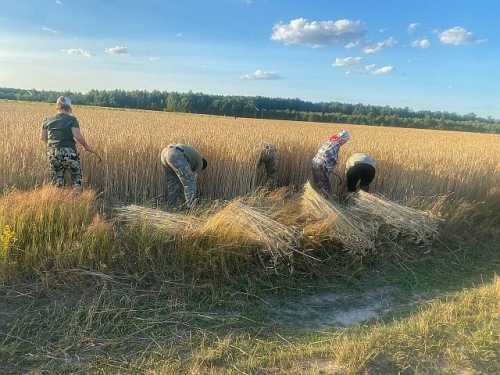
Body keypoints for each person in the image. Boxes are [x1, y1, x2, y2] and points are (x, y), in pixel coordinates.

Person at [41, 96, 94, 190]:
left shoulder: (47, 120)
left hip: (53, 153)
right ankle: (77, 201)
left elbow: (43, 138)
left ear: (57, 106)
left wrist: (54, 148)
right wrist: (86, 146)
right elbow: (77, 136)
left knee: (57, 181)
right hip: (68, 152)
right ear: (69, 107)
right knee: (77, 177)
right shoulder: (72, 120)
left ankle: (58, 201)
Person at [160, 144, 207, 208]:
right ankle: (192, 207)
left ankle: (172, 206)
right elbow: (193, 176)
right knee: (190, 181)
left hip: (165, 153)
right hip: (175, 155)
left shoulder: (194, 156)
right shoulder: (200, 162)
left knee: (173, 182)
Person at [311, 129, 351, 198]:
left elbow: (323, 152)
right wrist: (329, 167)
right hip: (321, 165)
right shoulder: (336, 144)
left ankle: (315, 202)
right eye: (345, 141)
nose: (344, 143)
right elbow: (329, 154)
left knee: (318, 185)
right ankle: (325, 204)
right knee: (327, 188)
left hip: (315, 163)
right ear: (343, 139)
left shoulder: (330, 141)